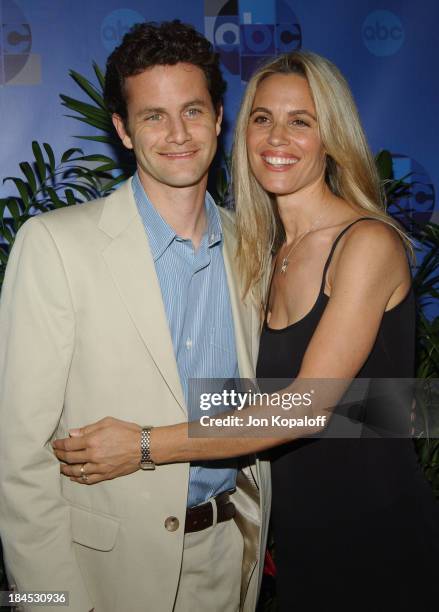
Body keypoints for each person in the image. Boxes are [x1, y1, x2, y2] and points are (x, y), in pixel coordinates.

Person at [53, 50, 439, 610]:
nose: (277, 137)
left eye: (300, 121)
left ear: (330, 136)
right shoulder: (256, 253)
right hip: (297, 545)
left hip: (378, 536)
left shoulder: (366, 244)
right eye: (262, 118)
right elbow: (255, 396)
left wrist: (141, 445)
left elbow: (305, 407)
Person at [0, 21, 271, 612]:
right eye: (153, 116)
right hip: (103, 577)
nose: (178, 134)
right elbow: (18, 461)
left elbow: (262, 408)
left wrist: (149, 444)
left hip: (229, 559)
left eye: (193, 111)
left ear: (219, 119)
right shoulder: (55, 245)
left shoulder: (254, 247)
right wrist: (52, 605)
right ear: (123, 129)